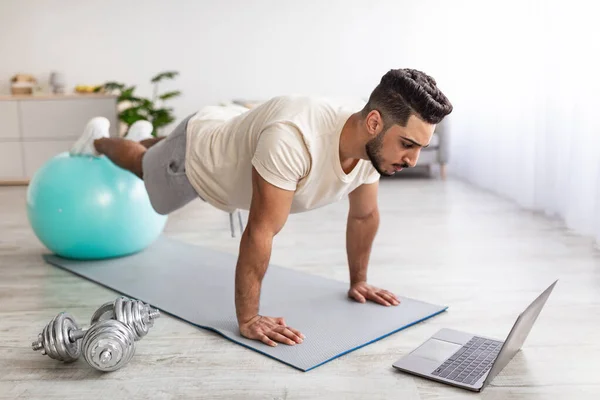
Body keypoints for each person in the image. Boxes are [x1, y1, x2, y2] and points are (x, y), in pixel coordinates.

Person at [70, 68, 453, 348]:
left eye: (419, 147)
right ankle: (101, 140)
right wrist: (248, 319)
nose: (413, 159)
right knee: (143, 168)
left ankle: (151, 146)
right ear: (374, 122)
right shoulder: (292, 141)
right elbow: (262, 230)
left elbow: (364, 215)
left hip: (228, 128)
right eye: (407, 144)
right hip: (198, 158)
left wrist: (359, 281)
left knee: (157, 152)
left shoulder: (371, 146)